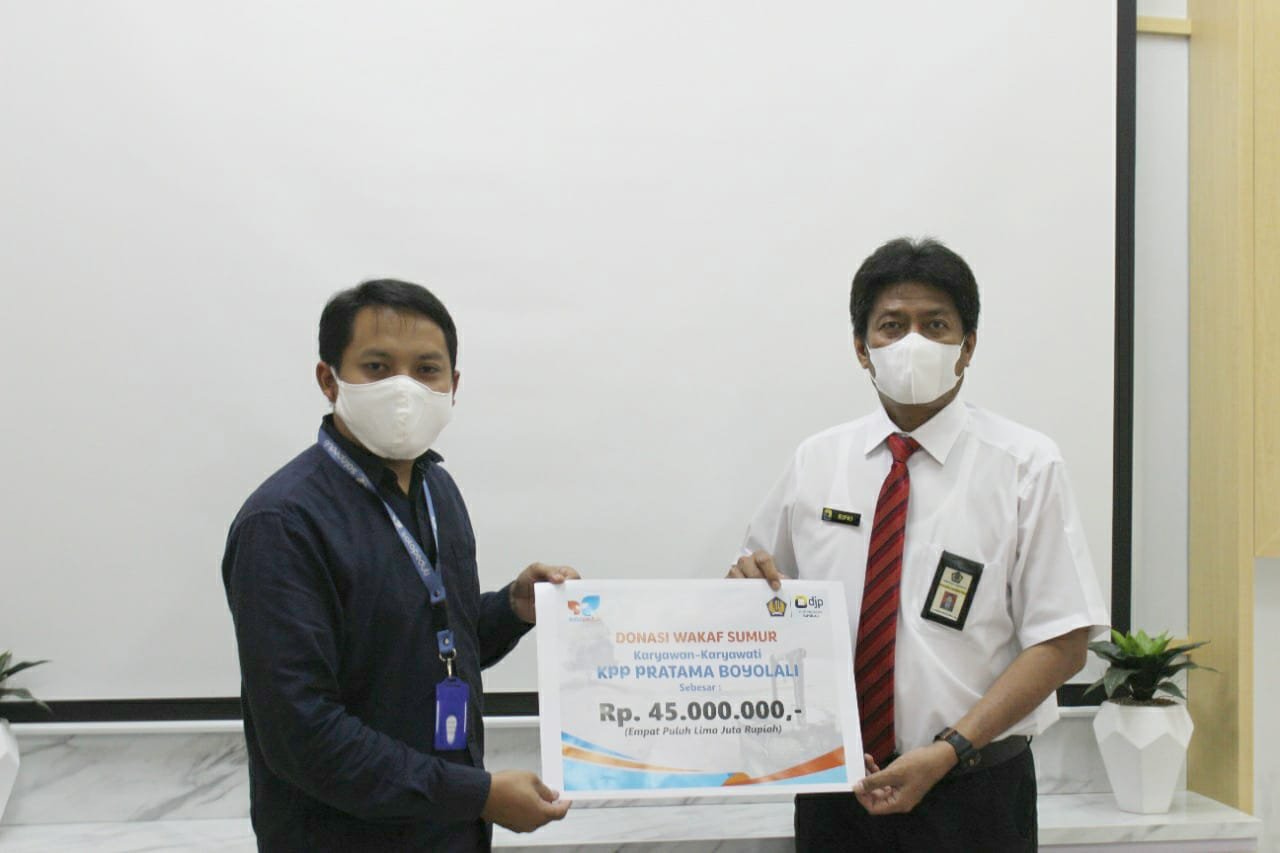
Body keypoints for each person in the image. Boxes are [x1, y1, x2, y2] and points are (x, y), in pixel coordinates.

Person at [728, 238, 1108, 852]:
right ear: (861, 348)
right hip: (837, 790)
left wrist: (950, 749)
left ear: (968, 346)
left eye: (935, 325)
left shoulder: (1025, 465)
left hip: (975, 791)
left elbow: (1063, 643)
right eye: (891, 326)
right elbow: (759, 599)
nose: (913, 343)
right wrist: (742, 593)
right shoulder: (817, 461)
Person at [222, 279, 574, 852]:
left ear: (453, 385)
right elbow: (303, 735)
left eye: (427, 369)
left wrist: (512, 609)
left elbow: (426, 644)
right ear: (329, 379)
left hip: (450, 833)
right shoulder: (283, 523)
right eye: (378, 367)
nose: (405, 388)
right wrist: (478, 795)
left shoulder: (438, 490)